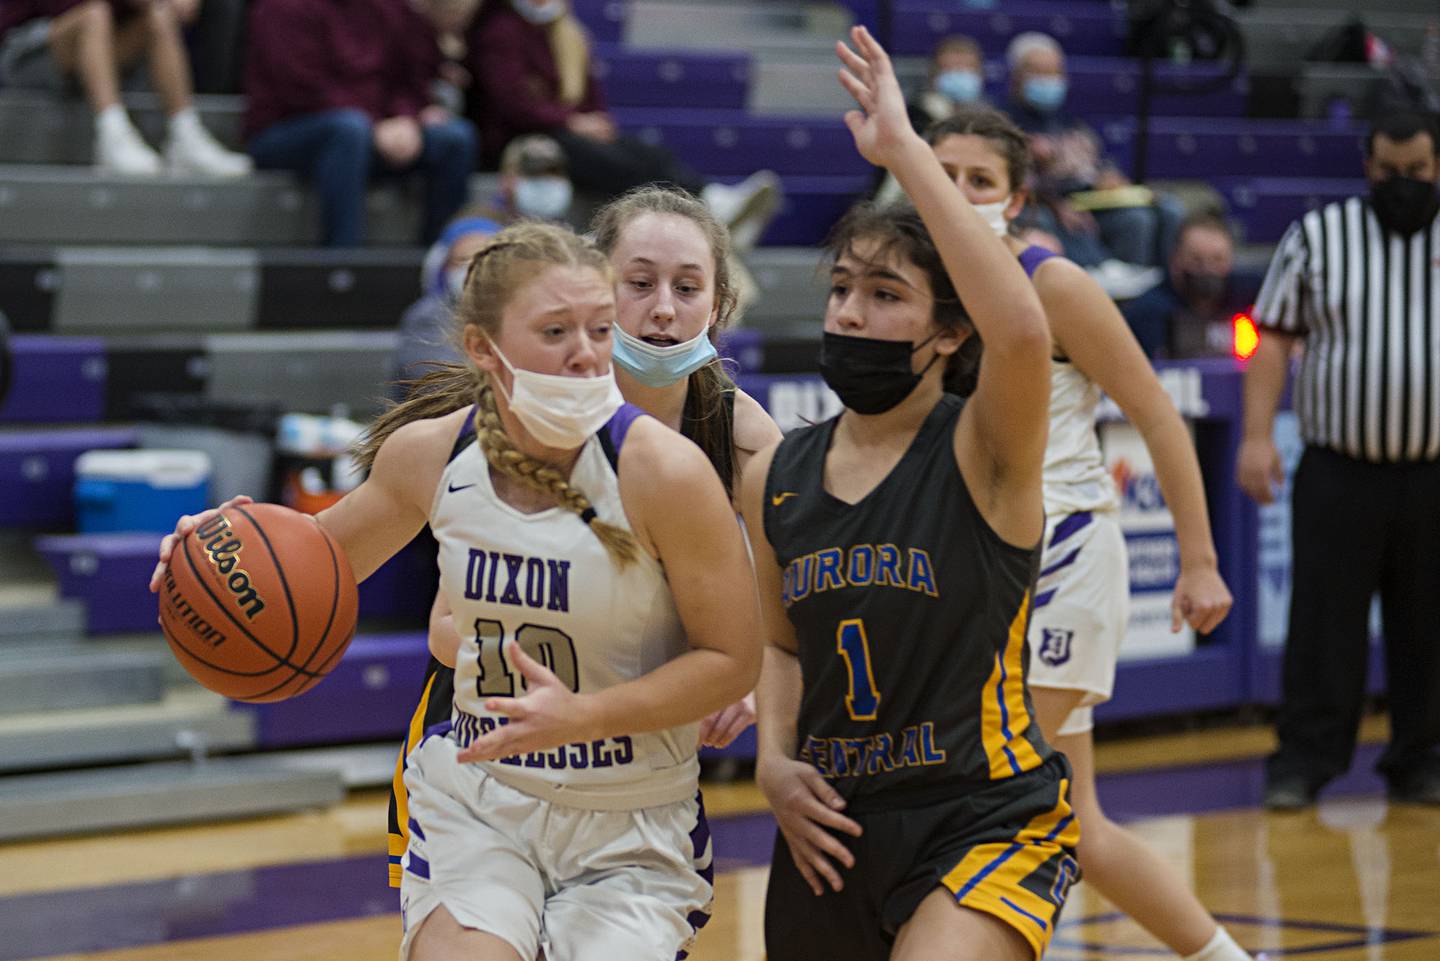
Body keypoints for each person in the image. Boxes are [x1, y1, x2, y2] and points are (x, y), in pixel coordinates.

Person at [152, 220, 761, 960]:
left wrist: (587, 714)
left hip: (629, 816)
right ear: (484, 347)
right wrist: (209, 555)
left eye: (600, 329)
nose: (586, 352)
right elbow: (308, 564)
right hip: (483, 799)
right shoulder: (431, 454)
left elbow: (733, 661)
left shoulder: (667, 471)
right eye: (556, 330)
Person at [750, 27, 1075, 961]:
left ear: (945, 332)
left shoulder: (985, 449)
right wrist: (774, 761)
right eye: (842, 289)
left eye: (886, 294)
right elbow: (778, 644)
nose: (851, 311)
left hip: (983, 812)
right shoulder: (777, 473)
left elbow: (1019, 331)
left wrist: (904, 152)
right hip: (832, 824)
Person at [385, 184, 784, 888]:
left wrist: (747, 681)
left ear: (719, 307)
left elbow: (787, 611)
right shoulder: (509, 413)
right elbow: (445, 629)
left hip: (629, 760)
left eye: (688, 287)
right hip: (484, 734)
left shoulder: (742, 435)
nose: (663, 307)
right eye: (639, 283)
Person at [922, 105, 1246, 961]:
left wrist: (1201, 560)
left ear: (1017, 198)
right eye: (942, 174)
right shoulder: (913, 283)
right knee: (1080, 823)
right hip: (973, 565)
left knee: (998, 798)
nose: (957, 194)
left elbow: (1157, 414)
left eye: (978, 180)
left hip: (1062, 554)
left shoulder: (1053, 281)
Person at [1238, 110, 1440, 811]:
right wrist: (1257, 437)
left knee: (1430, 624)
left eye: (1417, 171)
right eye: (1390, 171)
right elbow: (1270, 342)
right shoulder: (1319, 236)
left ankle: (1423, 760)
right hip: (1339, 469)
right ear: (1368, 165)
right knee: (1325, 625)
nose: (1403, 184)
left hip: (1434, 470)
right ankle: (1303, 761)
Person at [467, 0, 780, 251]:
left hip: (567, 131)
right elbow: (510, 105)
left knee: (645, 152)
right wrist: (573, 121)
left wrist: (596, 123)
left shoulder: (568, 33)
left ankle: (711, 199)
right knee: (601, 156)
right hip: (520, 139)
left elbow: (591, 96)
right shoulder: (498, 31)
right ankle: (707, 212)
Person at [243, 0, 479, 246]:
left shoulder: (390, 8)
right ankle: (343, 264)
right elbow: (298, 88)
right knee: (348, 131)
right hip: (287, 130)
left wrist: (406, 118)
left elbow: (410, 75)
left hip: (374, 129)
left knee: (456, 137)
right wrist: (375, 125)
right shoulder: (283, 7)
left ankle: (440, 262)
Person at [0, 0, 251, 175]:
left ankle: (185, 133)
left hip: (97, 49)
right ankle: (113, 135)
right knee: (93, 14)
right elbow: (64, 8)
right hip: (29, 49)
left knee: (160, 14)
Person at [1003, 31, 1181, 271]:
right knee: (1133, 221)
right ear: (1016, 76)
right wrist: (1055, 203)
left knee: (1167, 209)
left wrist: (1109, 177)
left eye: (1054, 72)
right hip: (1048, 202)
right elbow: (1013, 182)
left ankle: (1155, 291)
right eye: (1038, 72)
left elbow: (1100, 162)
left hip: (1091, 198)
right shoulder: (1004, 123)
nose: (1048, 80)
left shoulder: (1069, 121)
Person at [1121, 211, 1259, 358]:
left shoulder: (1251, 295)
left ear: (1230, 260)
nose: (1207, 269)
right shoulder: (1148, 313)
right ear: (1175, 260)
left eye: (1218, 260)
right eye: (1196, 260)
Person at [391, 213, 502, 395]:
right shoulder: (425, 318)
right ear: (442, 269)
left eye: (483, 260)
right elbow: (443, 387)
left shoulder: (513, 315)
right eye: (462, 260)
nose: (472, 269)